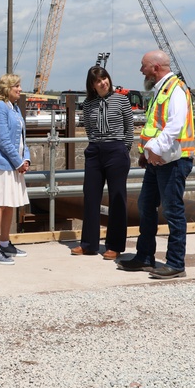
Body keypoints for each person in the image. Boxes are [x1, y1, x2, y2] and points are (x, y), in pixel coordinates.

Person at [118, 50, 195, 279]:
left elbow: (175, 125)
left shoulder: (176, 89)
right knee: (146, 206)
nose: (141, 70)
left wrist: (155, 149)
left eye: (143, 66)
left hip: (173, 159)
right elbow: (156, 126)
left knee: (172, 211)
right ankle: (144, 257)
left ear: (155, 67)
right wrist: (146, 153)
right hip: (157, 159)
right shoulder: (161, 89)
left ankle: (175, 263)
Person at [71, 66, 134, 259]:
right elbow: (89, 129)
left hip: (116, 151)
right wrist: (97, 145)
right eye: (98, 81)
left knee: (117, 199)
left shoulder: (122, 100)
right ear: (92, 85)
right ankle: (89, 244)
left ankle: (114, 245)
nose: (103, 83)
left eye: (105, 78)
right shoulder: (88, 104)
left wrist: (123, 149)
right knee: (90, 197)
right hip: (95, 151)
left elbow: (129, 128)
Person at [0, 74, 30, 265]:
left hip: (14, 165)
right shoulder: (0, 108)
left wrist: (26, 159)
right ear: (6, 88)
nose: (19, 89)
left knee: (9, 203)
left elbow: (22, 139)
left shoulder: (15, 108)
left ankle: (4, 242)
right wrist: (18, 162)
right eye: (16, 86)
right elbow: (3, 140)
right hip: (2, 165)